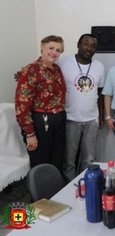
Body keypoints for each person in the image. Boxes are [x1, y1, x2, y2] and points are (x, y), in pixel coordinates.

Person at [14, 35, 66, 172]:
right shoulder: (31, 70)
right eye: (51, 48)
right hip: (40, 121)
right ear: (42, 48)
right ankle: (41, 193)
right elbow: (22, 104)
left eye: (58, 50)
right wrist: (30, 134)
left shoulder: (57, 70)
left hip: (58, 118)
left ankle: (56, 193)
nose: (54, 52)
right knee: (41, 163)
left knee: (57, 160)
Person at [58, 34, 105, 181]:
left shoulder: (99, 66)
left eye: (93, 46)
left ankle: (86, 186)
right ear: (78, 44)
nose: (89, 48)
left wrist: (102, 115)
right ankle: (68, 190)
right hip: (70, 119)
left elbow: (100, 93)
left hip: (92, 120)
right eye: (86, 44)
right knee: (69, 162)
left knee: (89, 160)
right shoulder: (63, 63)